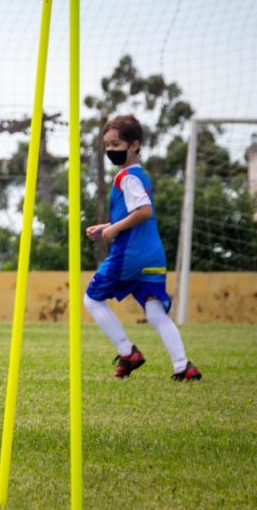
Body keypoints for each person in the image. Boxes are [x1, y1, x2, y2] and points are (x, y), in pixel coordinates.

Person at [84, 114, 201, 381]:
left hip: (130, 254)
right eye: (108, 146)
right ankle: (182, 366)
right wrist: (106, 225)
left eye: (116, 144)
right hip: (152, 253)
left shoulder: (126, 177)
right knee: (154, 310)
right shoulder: (140, 175)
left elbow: (144, 211)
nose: (111, 151)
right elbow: (134, 213)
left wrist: (113, 230)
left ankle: (128, 352)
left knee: (91, 299)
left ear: (135, 144)